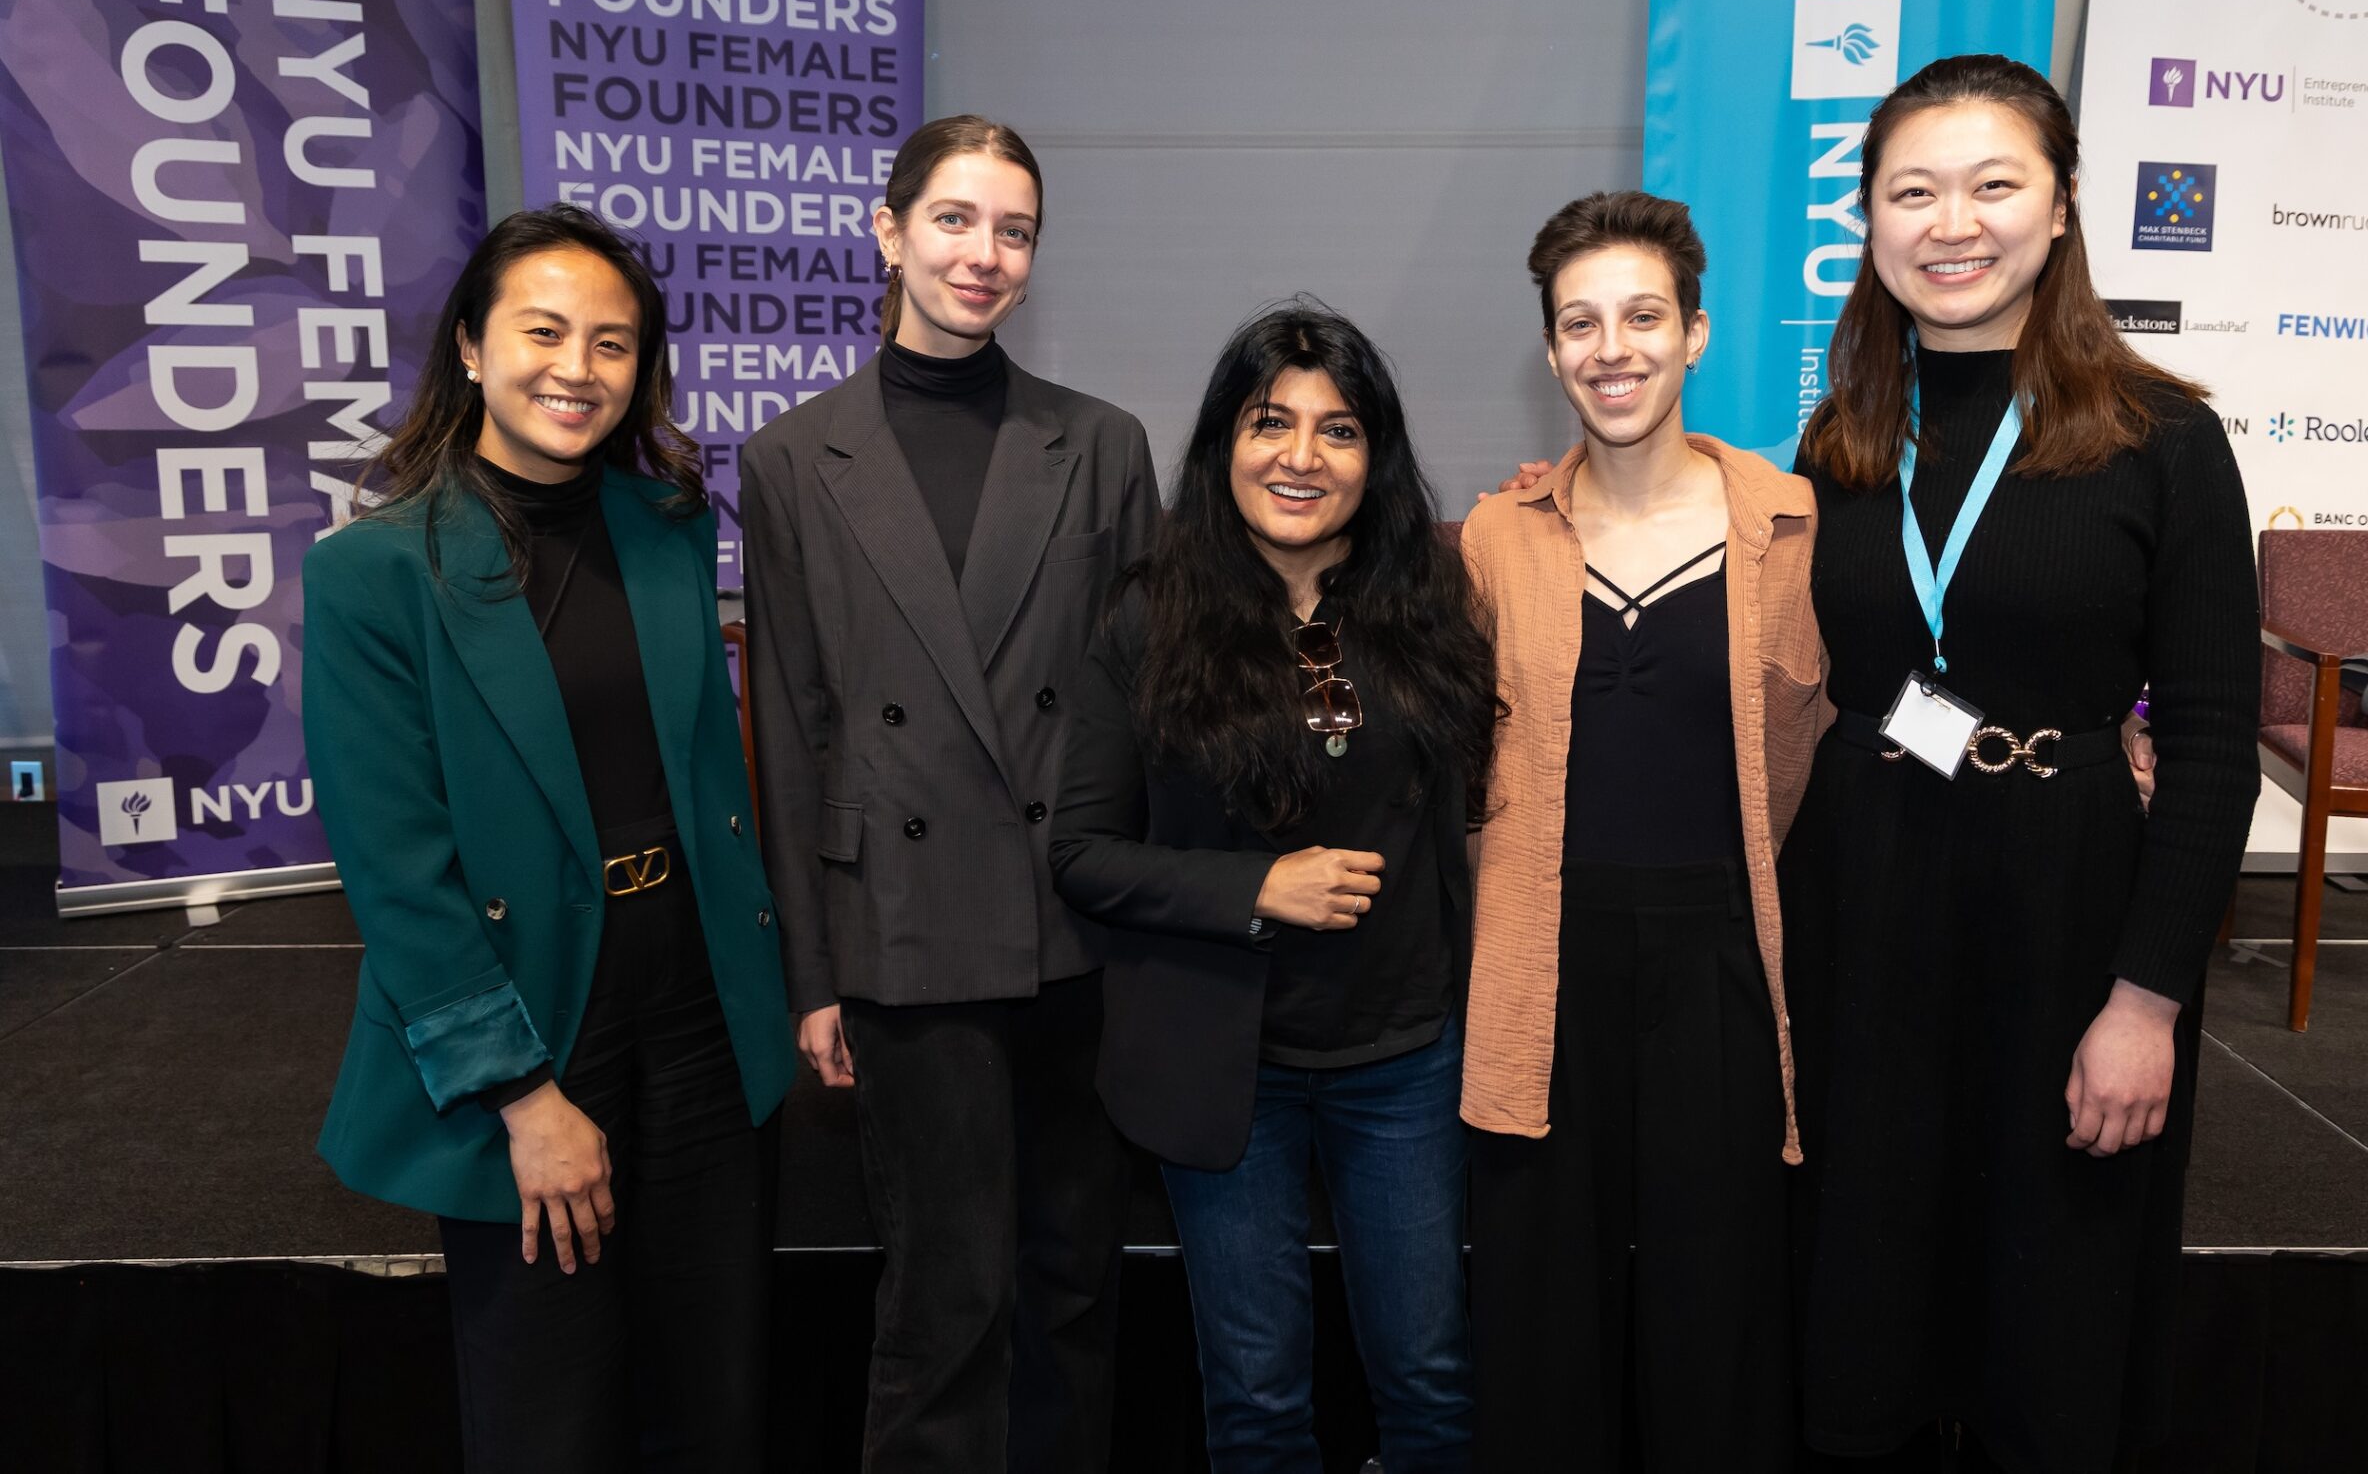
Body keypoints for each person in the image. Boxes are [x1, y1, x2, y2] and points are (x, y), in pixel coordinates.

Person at [1782, 54, 2257, 1472]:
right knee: (1864, 1286)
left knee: (2055, 1308)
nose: (1952, 224)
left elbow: (2215, 743)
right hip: (1866, 903)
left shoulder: (2164, 438)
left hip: (2068, 910)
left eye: (1993, 185)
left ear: (2059, 208)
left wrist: (2148, 1001)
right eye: (1912, 192)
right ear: (1869, 220)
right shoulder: (1841, 439)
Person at [304, 204, 798, 1472]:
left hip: (700, 1006)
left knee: (716, 1401)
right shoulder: (376, 573)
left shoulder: (670, 527)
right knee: (550, 1415)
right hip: (528, 1028)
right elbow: (398, 875)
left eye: (612, 343)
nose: (578, 367)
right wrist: (524, 1100)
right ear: (472, 347)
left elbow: (717, 784)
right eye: (543, 332)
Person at [741, 116, 1159, 1472]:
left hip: (1072, 927)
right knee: (944, 1298)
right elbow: (791, 724)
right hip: (904, 932)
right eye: (956, 220)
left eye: (1013, 230)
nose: (984, 254)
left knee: (1073, 1284)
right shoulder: (793, 459)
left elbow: (1142, 707)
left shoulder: (1100, 445)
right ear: (890, 230)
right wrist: (813, 976)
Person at [1049, 300, 1496, 1471]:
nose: (1301, 456)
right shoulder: (1148, 616)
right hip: (1224, 1070)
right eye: (1269, 423)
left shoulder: (1434, 602)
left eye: (1337, 429)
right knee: (1255, 1397)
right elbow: (1081, 854)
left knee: (1430, 1380)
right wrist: (1258, 888)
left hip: (1404, 1059)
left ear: (1374, 456)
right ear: (1223, 442)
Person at [1461, 190, 1819, 1470]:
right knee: (1540, 1314)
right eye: (1580, 323)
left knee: (1714, 1312)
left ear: (1696, 334)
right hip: (1538, 965)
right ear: (1550, 350)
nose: (1611, 349)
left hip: (1720, 964)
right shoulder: (1495, 538)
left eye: (1642, 317)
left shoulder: (1791, 526)